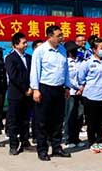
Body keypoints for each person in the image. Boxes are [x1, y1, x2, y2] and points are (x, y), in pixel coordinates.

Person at [30, 25, 71, 161]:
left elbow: (65, 70)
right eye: (58, 35)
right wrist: (35, 89)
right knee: (42, 121)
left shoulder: (62, 50)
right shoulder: (40, 51)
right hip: (45, 88)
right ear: (50, 36)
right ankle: (42, 150)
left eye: (61, 35)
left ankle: (57, 147)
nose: (61, 37)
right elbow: (35, 71)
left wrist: (67, 86)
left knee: (58, 120)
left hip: (59, 88)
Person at [82, 37, 102, 153]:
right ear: (94, 50)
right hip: (91, 96)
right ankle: (92, 142)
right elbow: (81, 78)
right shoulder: (88, 63)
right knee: (92, 121)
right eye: (101, 47)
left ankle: (100, 141)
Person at [5, 32, 33, 155]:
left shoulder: (28, 57)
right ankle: (13, 145)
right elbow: (13, 76)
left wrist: (31, 88)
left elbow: (32, 74)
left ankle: (25, 142)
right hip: (16, 94)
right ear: (16, 45)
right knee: (13, 121)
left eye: (26, 42)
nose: (26, 45)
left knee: (25, 120)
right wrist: (25, 89)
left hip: (28, 93)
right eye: (24, 43)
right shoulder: (10, 58)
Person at [63, 41, 86, 149]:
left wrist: (82, 87)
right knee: (70, 115)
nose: (75, 51)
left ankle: (76, 138)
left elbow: (84, 75)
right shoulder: (65, 62)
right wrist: (76, 88)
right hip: (71, 92)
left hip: (81, 92)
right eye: (73, 50)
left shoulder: (80, 61)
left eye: (76, 49)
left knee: (79, 115)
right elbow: (67, 78)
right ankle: (68, 138)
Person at [29, 40, 43, 143]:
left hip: (44, 89)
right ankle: (35, 135)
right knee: (36, 114)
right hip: (33, 90)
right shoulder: (30, 59)